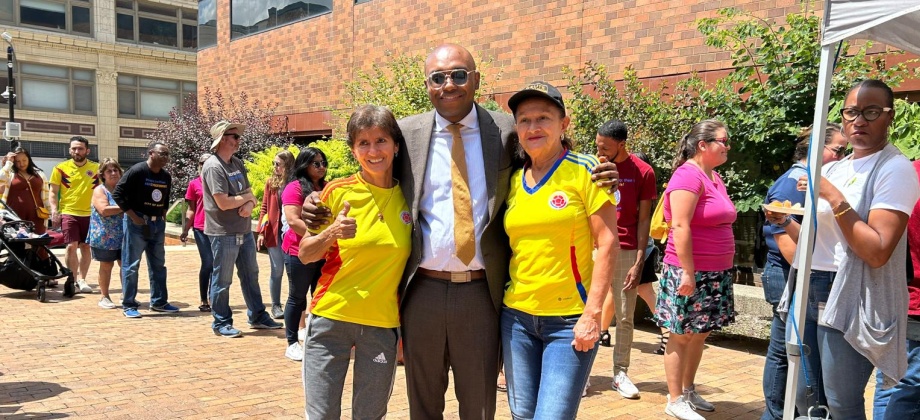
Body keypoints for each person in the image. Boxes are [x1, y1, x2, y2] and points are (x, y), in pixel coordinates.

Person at [300, 44, 617, 419]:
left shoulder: (505, 129)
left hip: (481, 292)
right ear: (427, 84)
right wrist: (317, 205)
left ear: (476, 80)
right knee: (424, 400)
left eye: (458, 75)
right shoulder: (407, 133)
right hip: (423, 291)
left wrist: (601, 172)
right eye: (438, 77)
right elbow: (374, 175)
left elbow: (545, 158)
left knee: (479, 403)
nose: (448, 84)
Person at [771, 79, 919, 419]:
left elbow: (878, 250)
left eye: (871, 112)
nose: (860, 121)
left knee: (841, 402)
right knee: (803, 395)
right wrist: (787, 222)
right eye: (852, 112)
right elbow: (818, 240)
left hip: (849, 292)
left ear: (890, 116)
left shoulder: (895, 170)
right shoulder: (835, 167)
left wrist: (834, 197)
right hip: (807, 286)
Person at [499, 82, 618, 419]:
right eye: (524, 120)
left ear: (564, 123)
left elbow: (608, 242)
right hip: (516, 319)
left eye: (543, 118)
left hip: (569, 321)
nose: (533, 127)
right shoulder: (511, 180)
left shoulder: (586, 171)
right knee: (522, 414)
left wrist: (593, 315)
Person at [298, 105, 411, 420]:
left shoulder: (411, 197)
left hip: (381, 325)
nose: (373, 150)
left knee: (370, 415)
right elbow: (305, 253)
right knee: (321, 415)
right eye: (363, 143)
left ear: (396, 146)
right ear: (353, 149)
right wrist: (332, 232)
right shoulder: (337, 192)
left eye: (381, 141)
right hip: (330, 318)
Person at [759, 123, 844, 420]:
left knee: (790, 351)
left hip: (795, 275)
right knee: (785, 352)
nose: (842, 157)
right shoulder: (793, 182)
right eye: (838, 150)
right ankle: (775, 414)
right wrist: (809, 277)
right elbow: (786, 241)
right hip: (788, 276)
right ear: (817, 149)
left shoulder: (813, 180)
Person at [658, 119, 737, 420]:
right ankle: (674, 398)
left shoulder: (713, 177)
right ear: (703, 145)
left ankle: (688, 390)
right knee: (681, 334)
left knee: (699, 333)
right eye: (723, 141)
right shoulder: (687, 176)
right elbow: (679, 225)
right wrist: (688, 273)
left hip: (714, 271)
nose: (727, 146)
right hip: (689, 270)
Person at [594, 119, 657, 399]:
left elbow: (644, 219)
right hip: (593, 246)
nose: (601, 151)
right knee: (583, 311)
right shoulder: (591, 166)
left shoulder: (643, 172)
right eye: (597, 146)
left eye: (606, 147)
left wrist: (640, 259)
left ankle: (620, 373)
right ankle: (580, 373)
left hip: (626, 247)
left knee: (625, 316)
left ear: (622, 144)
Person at [202, 120, 281, 338]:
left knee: (250, 274)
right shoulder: (213, 166)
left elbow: (250, 194)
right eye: (235, 137)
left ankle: (257, 315)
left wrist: (248, 202)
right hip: (223, 232)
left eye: (238, 137)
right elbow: (223, 203)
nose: (239, 141)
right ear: (222, 139)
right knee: (223, 279)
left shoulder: (235, 163)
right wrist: (246, 199)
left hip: (244, 230)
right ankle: (221, 322)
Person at [872, 159, 920, 420]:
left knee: (893, 381)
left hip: (896, 293)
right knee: (910, 386)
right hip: (913, 300)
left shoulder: (902, 171)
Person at [112, 141, 177, 318]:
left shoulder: (165, 176)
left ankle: (159, 302)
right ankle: (129, 304)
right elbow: (117, 193)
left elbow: (165, 198)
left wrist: (163, 216)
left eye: (167, 154)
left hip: (157, 225)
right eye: (162, 153)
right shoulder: (137, 171)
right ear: (151, 153)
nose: (165, 158)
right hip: (137, 224)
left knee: (158, 265)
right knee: (131, 265)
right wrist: (134, 217)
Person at [281, 147, 327, 361]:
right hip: (298, 251)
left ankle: (316, 338)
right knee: (297, 297)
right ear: (304, 165)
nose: (321, 167)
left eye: (323, 162)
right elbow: (293, 221)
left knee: (320, 296)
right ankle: (291, 342)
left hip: (323, 252)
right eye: (316, 163)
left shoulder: (327, 187)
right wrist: (319, 237)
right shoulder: (294, 187)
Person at [49, 136, 99, 294]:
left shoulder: (97, 168)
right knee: (71, 246)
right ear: (70, 150)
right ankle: (72, 279)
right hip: (69, 212)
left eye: (80, 148)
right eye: (74, 148)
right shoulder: (60, 168)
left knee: (86, 247)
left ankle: (82, 280)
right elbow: (53, 191)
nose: (77, 151)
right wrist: (54, 210)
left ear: (87, 150)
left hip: (91, 214)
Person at [258, 149, 294, 319]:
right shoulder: (270, 182)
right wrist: (260, 232)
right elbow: (264, 207)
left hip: (291, 232)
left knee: (293, 270)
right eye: (274, 163)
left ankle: (293, 304)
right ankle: (275, 305)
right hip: (273, 232)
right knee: (277, 269)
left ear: (287, 165)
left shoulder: (294, 183)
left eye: (278, 164)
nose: (275, 167)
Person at [87, 158, 125, 309]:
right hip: (104, 236)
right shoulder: (99, 190)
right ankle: (104, 296)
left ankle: (126, 295)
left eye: (116, 170)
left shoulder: (124, 189)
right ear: (102, 174)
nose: (113, 173)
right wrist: (126, 206)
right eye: (109, 171)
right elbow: (104, 210)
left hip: (124, 234)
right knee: (107, 265)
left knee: (126, 265)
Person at [180, 153, 214, 312]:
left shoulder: (218, 181)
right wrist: (186, 229)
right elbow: (191, 209)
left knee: (217, 264)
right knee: (208, 262)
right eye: (202, 163)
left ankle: (214, 298)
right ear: (199, 165)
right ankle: (203, 298)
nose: (205, 165)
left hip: (218, 228)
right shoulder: (194, 184)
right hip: (201, 228)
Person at [0, 148, 51, 237]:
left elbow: (47, 195)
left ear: (29, 159)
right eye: (18, 161)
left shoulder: (39, 174)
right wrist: (8, 163)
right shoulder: (10, 173)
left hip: (37, 215)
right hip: (14, 217)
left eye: (24, 160)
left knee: (40, 244)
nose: (22, 164)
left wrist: (51, 212)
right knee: (17, 245)